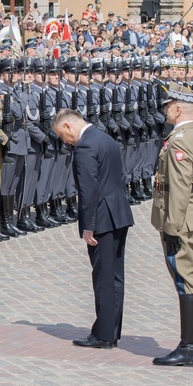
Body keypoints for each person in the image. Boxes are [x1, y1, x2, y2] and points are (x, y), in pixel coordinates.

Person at [53, 109, 134, 350]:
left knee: (103, 278)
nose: (65, 142)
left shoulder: (85, 147)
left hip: (102, 218)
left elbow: (89, 190)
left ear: (68, 126)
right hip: (119, 213)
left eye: (62, 136)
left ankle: (104, 335)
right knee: (115, 276)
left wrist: (88, 226)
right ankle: (111, 329)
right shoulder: (104, 138)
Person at [150, 82, 193, 368]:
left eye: (166, 108)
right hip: (192, 216)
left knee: (185, 281)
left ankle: (189, 347)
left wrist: (171, 227)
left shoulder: (179, 141)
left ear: (177, 109)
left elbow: (180, 186)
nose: (164, 113)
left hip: (180, 219)